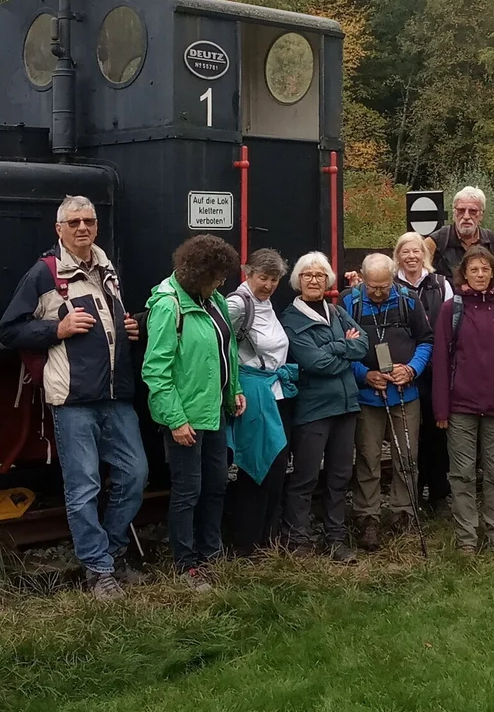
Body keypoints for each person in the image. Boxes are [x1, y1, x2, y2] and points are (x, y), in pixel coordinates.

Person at [0, 195, 147, 602]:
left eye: (89, 221)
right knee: (83, 487)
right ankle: (99, 570)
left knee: (135, 476)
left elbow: (108, 323)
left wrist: (128, 327)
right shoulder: (44, 273)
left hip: (116, 396)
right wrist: (56, 329)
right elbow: (8, 330)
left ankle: (111, 552)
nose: (83, 228)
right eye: (74, 222)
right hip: (74, 399)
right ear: (59, 229)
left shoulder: (106, 267)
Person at [141, 234, 246, 589]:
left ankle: (210, 554)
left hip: (215, 411)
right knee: (188, 491)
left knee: (216, 485)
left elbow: (227, 351)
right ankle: (185, 564)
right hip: (185, 416)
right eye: (216, 277)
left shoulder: (214, 300)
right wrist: (175, 419)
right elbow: (156, 370)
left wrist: (234, 389)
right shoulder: (168, 306)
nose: (221, 283)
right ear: (198, 274)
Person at [432, 245, 494, 562]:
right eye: (474, 269)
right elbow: (441, 362)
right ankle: (467, 541)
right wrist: (441, 408)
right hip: (461, 407)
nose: (480, 274)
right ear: (464, 273)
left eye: (486, 269)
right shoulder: (452, 309)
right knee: (462, 475)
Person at [342, 253, 434, 549]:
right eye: (373, 287)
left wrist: (412, 369)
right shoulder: (348, 301)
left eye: (385, 286)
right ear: (363, 279)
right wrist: (365, 374)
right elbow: (341, 348)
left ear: (393, 278)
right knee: (368, 458)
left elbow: (426, 340)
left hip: (405, 393)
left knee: (407, 458)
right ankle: (367, 516)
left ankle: (403, 512)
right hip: (367, 395)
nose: (380, 293)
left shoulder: (408, 300)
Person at [281, 252, 368, 562]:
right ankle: (298, 540)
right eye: (307, 275)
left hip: (346, 407)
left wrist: (332, 349)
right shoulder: (291, 319)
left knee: (339, 477)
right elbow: (315, 363)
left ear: (328, 279)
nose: (314, 280)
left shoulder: (337, 311)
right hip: (313, 410)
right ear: (298, 280)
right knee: (305, 478)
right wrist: (343, 347)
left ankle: (336, 539)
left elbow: (363, 344)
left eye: (320, 275)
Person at [224, 248, 296, 557]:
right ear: (248, 273)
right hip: (252, 394)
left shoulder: (265, 303)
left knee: (276, 467)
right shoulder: (237, 304)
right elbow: (217, 343)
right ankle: (246, 544)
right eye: (263, 278)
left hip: (274, 391)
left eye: (274, 279)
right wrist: (233, 387)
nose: (268, 285)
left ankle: (265, 538)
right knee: (256, 467)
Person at [395, 231, 454, 517]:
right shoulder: (390, 285)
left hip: (436, 369)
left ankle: (439, 494)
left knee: (437, 433)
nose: (411, 256)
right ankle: (413, 495)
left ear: (424, 254)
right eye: (405, 251)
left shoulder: (441, 284)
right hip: (404, 370)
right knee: (409, 437)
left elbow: (452, 323)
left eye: (416, 250)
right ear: (398, 256)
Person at [427, 186, 494, 290]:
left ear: (481, 215)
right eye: (461, 210)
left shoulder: (491, 241)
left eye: (473, 211)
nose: (466, 216)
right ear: (454, 213)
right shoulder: (435, 241)